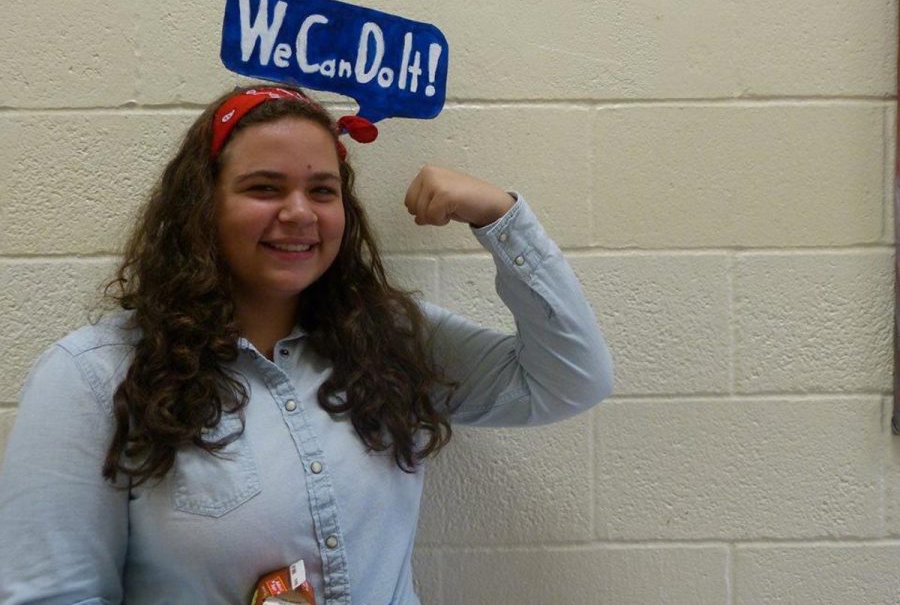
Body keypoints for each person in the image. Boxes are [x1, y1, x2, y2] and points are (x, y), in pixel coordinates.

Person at [0, 83, 613, 604]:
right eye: (264, 188)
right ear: (201, 206)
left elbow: (567, 379)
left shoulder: (386, 338)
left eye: (322, 190)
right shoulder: (90, 379)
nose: (299, 213)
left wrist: (501, 218)